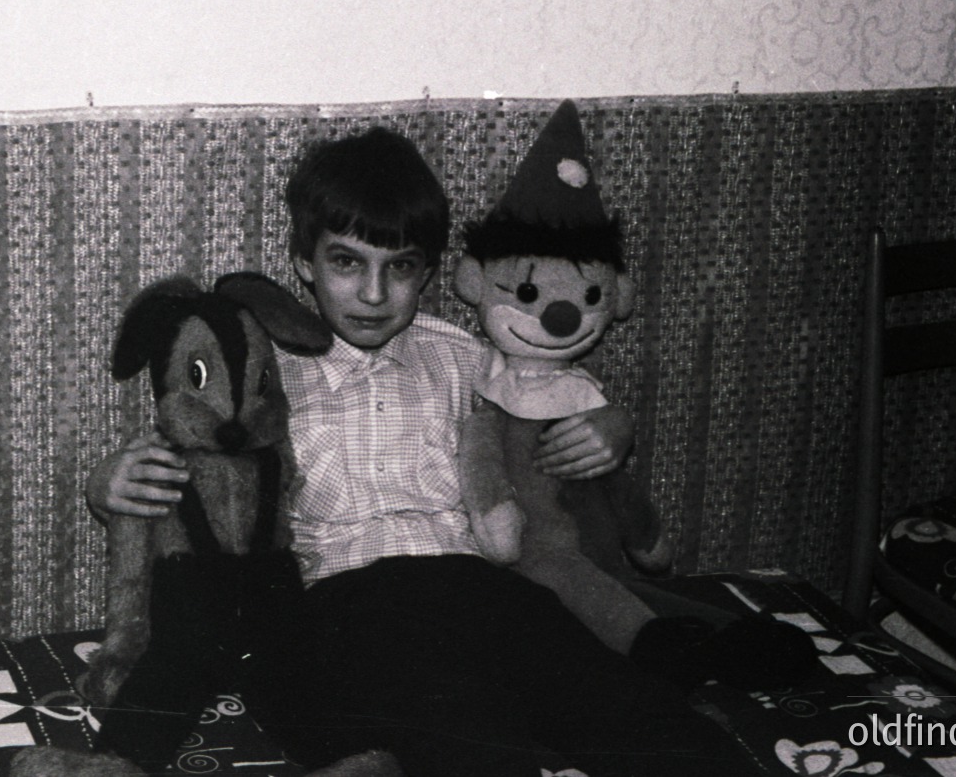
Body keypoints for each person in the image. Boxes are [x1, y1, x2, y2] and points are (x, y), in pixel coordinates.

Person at [88, 125, 758, 776]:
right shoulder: (266, 372)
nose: (374, 294)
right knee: (457, 732)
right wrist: (110, 481)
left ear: (429, 273)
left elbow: (549, 399)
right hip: (349, 605)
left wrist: (610, 424)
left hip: (483, 587)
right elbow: (189, 447)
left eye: (399, 267)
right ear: (303, 262)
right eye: (347, 262)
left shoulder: (462, 357)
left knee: (626, 705)